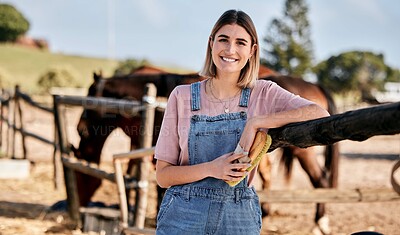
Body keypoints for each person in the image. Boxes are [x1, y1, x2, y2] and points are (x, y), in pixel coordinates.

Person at [154, 9, 329, 235]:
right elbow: (163, 176)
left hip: (239, 216)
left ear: (252, 50)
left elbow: (320, 113)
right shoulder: (182, 96)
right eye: (223, 39)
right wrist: (213, 168)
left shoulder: (263, 92)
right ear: (211, 43)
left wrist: (257, 121)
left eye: (240, 42)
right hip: (184, 215)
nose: (230, 50)